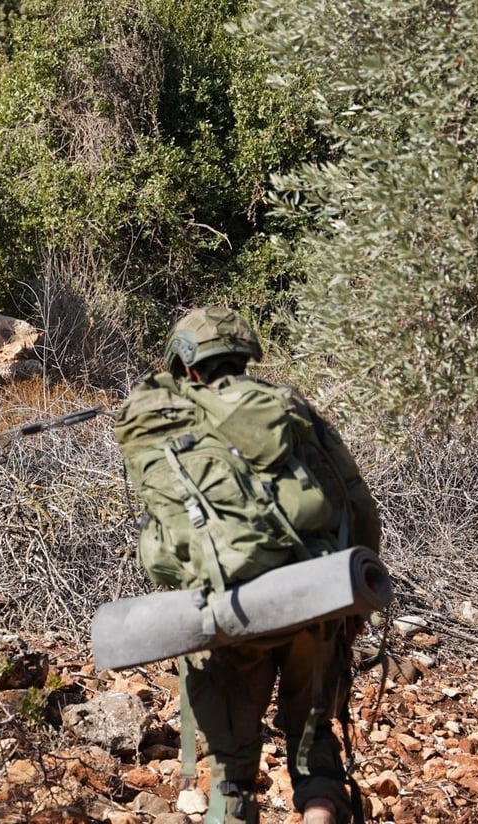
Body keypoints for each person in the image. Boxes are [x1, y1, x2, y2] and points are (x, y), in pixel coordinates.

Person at [139, 307, 380, 824]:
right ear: (244, 354)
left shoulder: (170, 421)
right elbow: (357, 504)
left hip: (231, 615)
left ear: (185, 363)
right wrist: (352, 601)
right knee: (314, 749)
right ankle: (320, 812)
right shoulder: (288, 407)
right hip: (312, 599)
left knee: (231, 769)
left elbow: (162, 554)